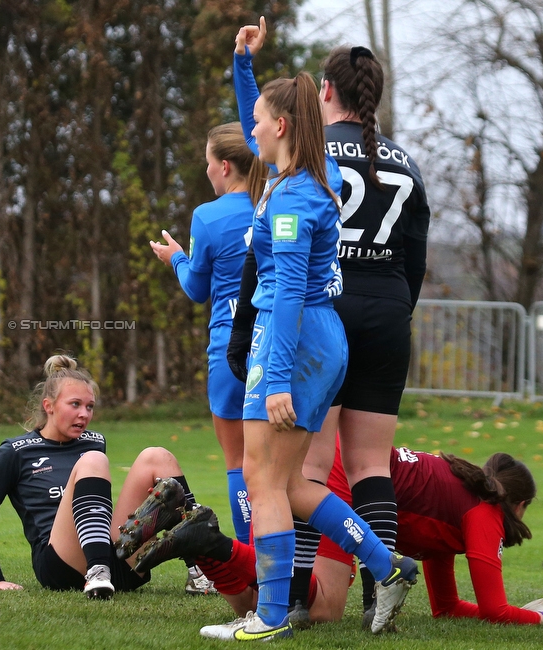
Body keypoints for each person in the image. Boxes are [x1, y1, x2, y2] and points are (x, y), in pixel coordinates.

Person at [205, 19, 420, 641]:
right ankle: (390, 566)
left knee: (262, 480)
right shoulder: (285, 175)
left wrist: (273, 379)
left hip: (294, 343)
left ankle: (269, 617)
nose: (248, 129)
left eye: (260, 121)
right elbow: (262, 120)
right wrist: (244, 67)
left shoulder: (294, 198)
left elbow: (291, 294)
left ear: (284, 129)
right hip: (312, 341)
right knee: (290, 483)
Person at [139, 445, 543, 638]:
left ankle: (205, 546)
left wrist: (513, 614)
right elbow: (494, 609)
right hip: (342, 473)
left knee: (260, 604)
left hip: (333, 456)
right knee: (324, 611)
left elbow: (445, 607)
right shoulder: (484, 512)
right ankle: (211, 543)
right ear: (517, 503)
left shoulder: (455, 506)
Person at [0, 354, 202, 600]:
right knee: (93, 460)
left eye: (89, 406)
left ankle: (202, 570)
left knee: (157, 456)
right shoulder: (15, 452)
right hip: (60, 567)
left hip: (119, 566)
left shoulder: (95, 441)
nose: (84, 414)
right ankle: (97, 570)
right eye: (75, 404)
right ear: (49, 406)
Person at [150, 123, 267, 555]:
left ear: (224, 166)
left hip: (229, 352)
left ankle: (249, 555)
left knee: (237, 462)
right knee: (277, 467)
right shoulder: (274, 203)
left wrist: (176, 257)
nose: (206, 171)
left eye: (206, 162)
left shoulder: (209, 216)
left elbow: (197, 289)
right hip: (275, 345)